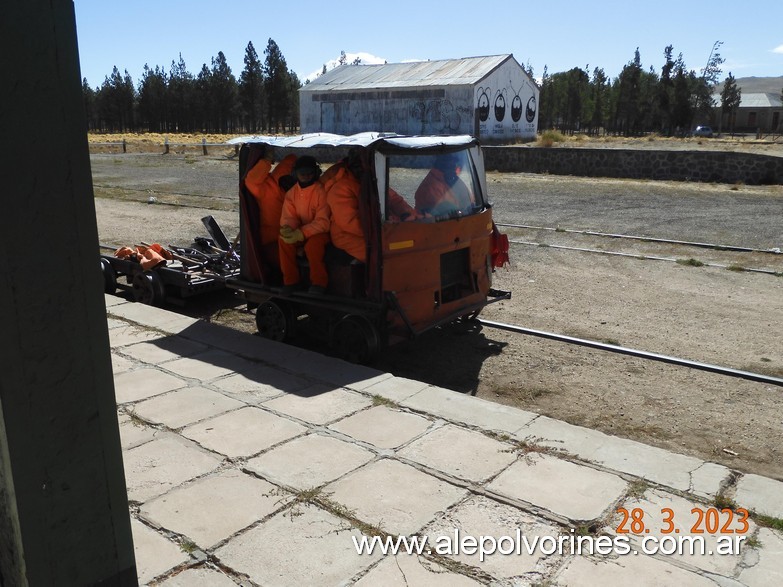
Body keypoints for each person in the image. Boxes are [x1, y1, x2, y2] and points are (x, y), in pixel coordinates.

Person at [278, 155, 331, 294]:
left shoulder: (321, 191)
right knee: (283, 241)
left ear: (316, 173)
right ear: (295, 174)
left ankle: (319, 283)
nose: (307, 176)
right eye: (303, 173)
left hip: (322, 233)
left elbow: (323, 222)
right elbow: (289, 217)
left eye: (310, 173)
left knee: (313, 246)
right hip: (301, 233)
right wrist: (288, 230)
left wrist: (301, 233)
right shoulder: (291, 194)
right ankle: (291, 281)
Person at [243, 148, 297, 269]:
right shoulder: (268, 189)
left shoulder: (306, 190)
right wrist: (266, 161)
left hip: (298, 239)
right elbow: (251, 181)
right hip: (273, 241)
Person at [325, 148, 366, 262]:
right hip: (345, 236)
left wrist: (409, 214)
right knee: (382, 251)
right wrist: (379, 231)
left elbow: (393, 199)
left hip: (372, 230)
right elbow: (349, 223)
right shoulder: (341, 188)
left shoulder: (371, 181)